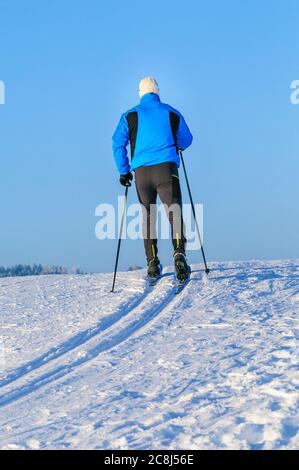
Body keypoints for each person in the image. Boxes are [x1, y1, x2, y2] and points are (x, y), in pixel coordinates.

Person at [112, 77, 193, 281]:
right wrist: (176, 143)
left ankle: (152, 262)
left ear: (140, 94)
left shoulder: (129, 115)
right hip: (167, 169)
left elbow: (117, 143)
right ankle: (178, 253)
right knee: (174, 211)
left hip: (142, 173)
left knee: (148, 216)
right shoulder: (171, 112)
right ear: (157, 92)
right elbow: (187, 139)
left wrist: (124, 171)